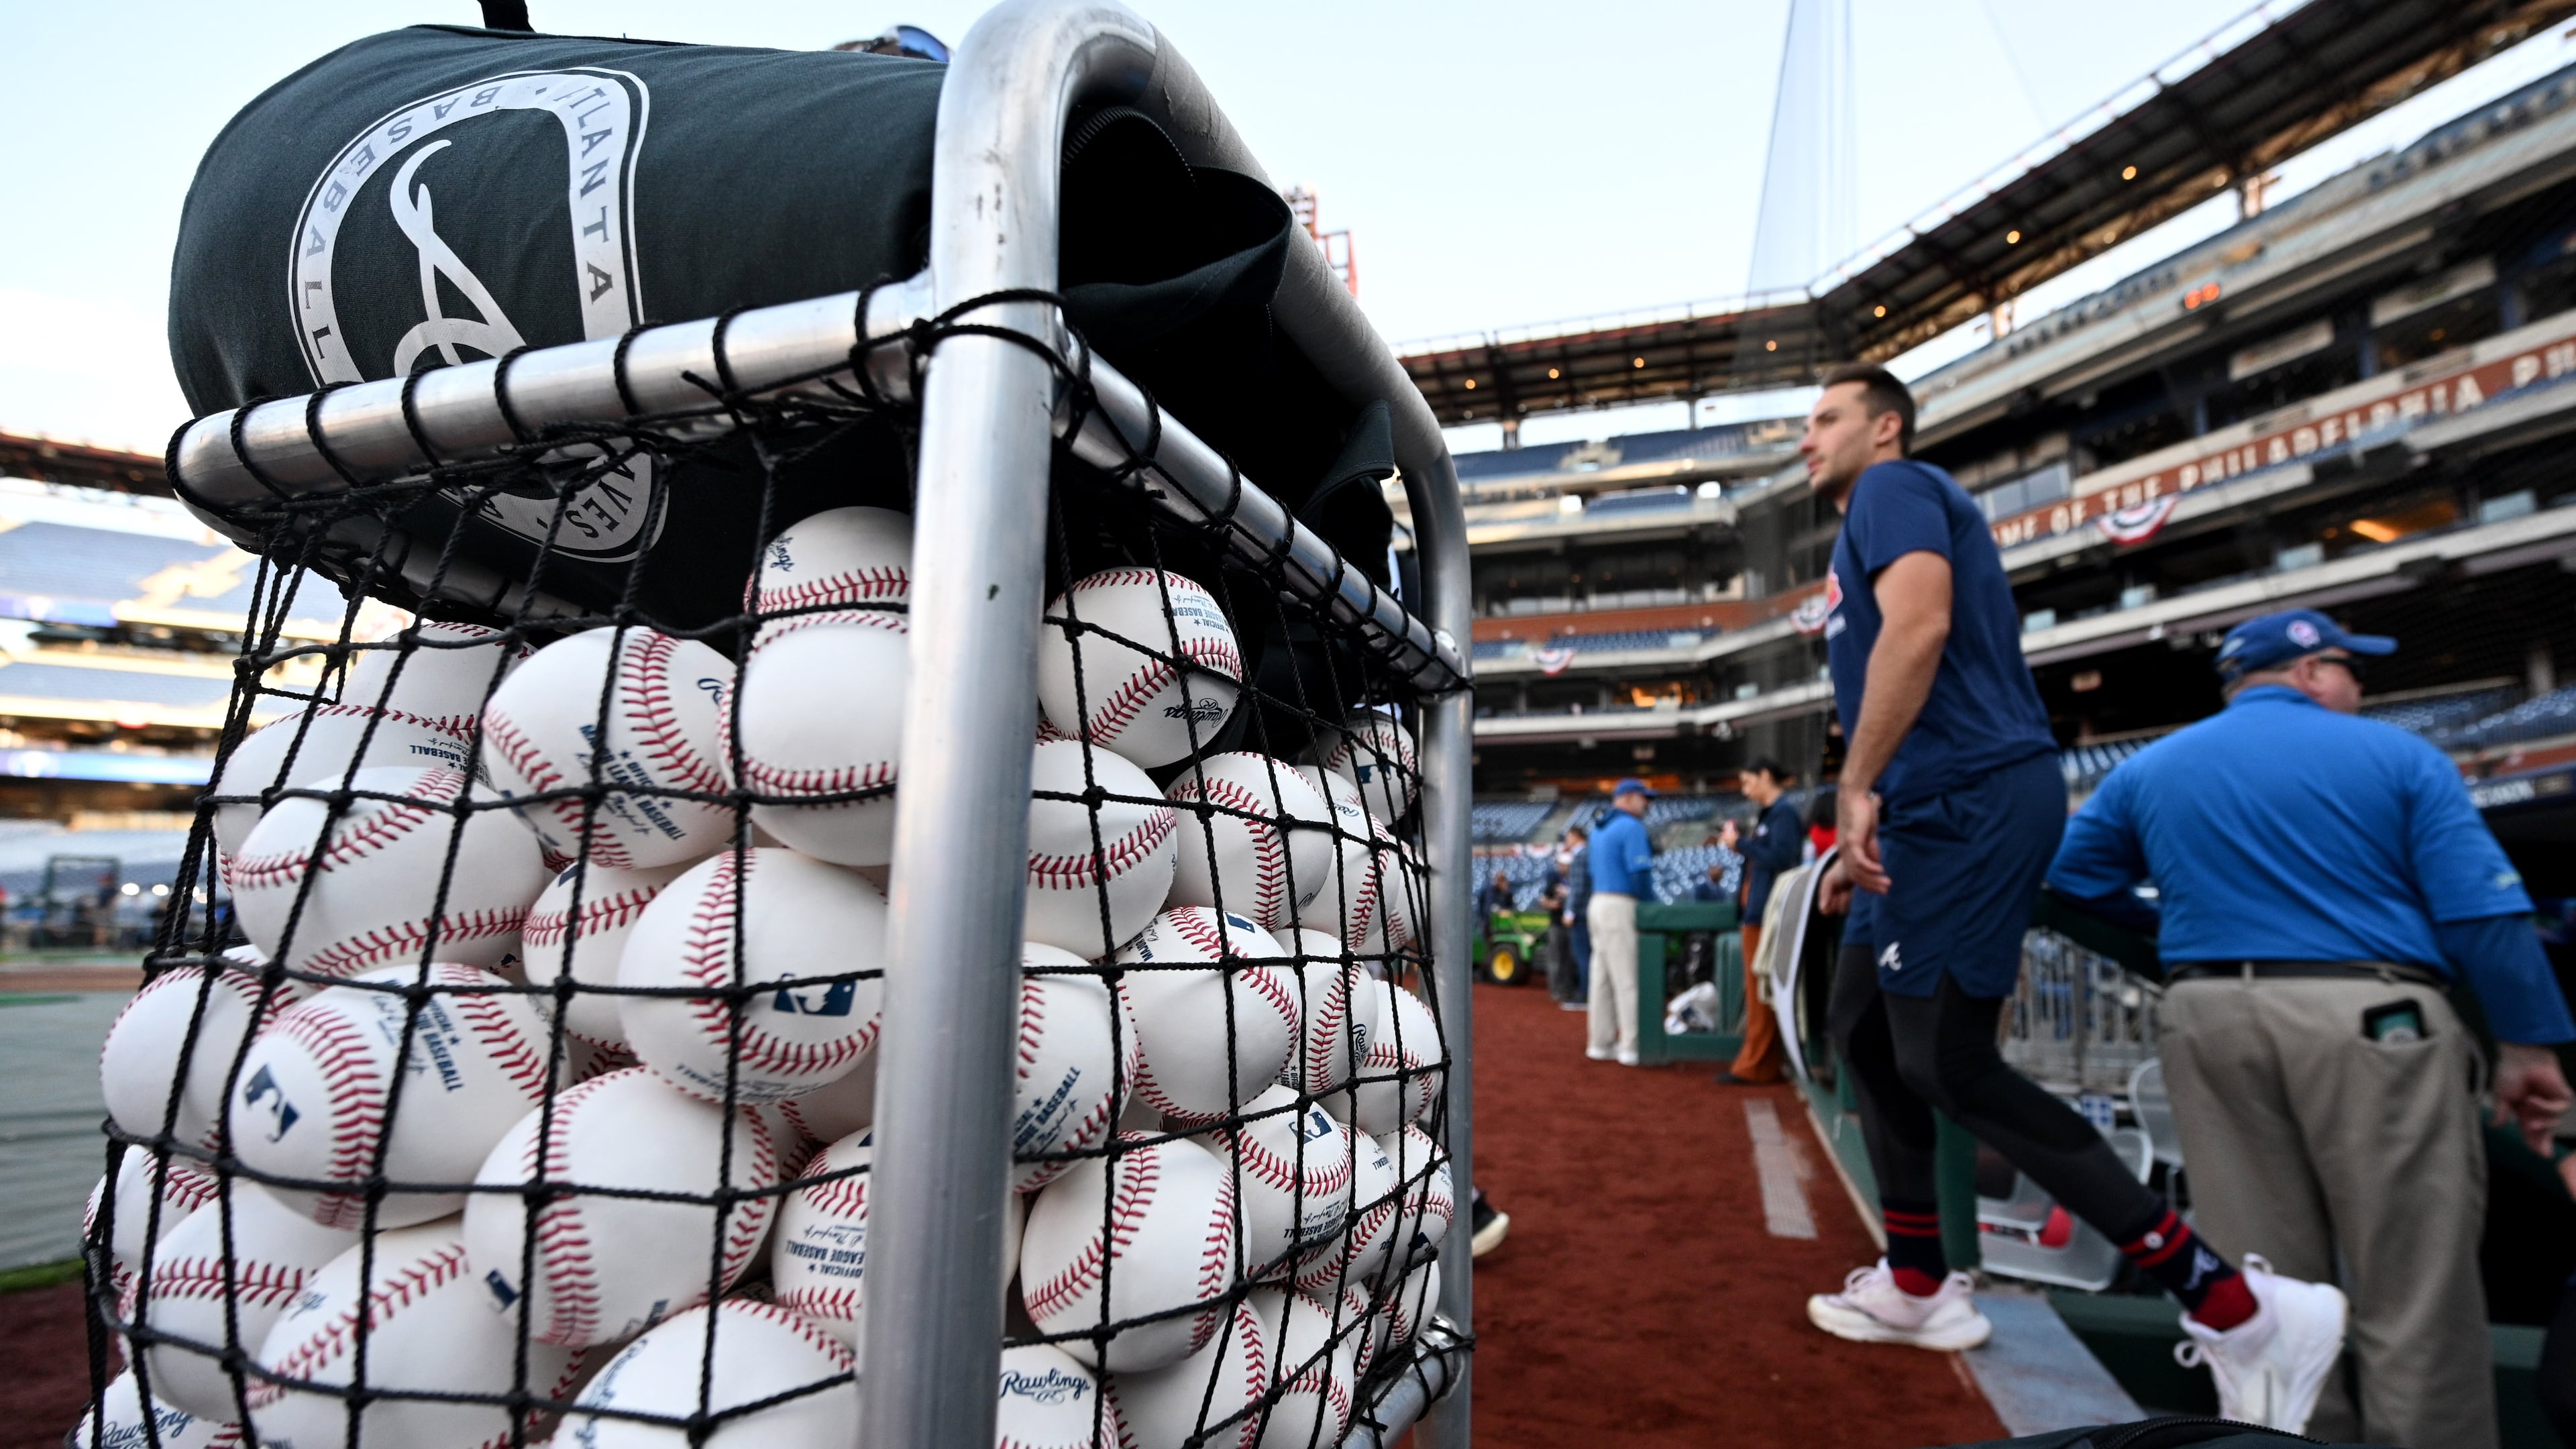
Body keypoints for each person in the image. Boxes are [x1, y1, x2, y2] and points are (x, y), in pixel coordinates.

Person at [1794, 363, 2343, 1433]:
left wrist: (1856, 784)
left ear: (1887, 426)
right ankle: (1917, 1284)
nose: (1808, 440)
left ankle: (2236, 1307)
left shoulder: (1895, 488)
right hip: (1921, 808)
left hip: (1964, 800)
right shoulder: (1870, 511)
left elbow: (1919, 629)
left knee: (1946, 1060)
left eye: (1826, 419)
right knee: (1863, 1029)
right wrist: (1865, 800)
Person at [2048, 608, 2576, 1449]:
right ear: (2312, 672)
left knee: (2261, 1291)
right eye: (2353, 672)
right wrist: (2526, 1045)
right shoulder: (2400, 754)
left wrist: (2190, 930)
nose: (2359, 689)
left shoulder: (2151, 768)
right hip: (2371, 1017)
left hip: (2207, 1016)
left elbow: (2070, 878)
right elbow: (2484, 909)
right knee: (2414, 1285)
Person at [1715, 758, 1804, 1086]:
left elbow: (1782, 857)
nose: (1745, 789)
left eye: (1748, 781)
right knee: (1758, 994)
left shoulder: (1783, 813)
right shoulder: (1771, 814)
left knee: (1762, 994)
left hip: (1770, 914)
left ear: (1766, 775)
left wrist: (1740, 844)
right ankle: (1758, 1062)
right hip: (1757, 913)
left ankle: (1757, 1066)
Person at [1586, 780, 1656, 1065]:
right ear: (1627, 798)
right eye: (1643, 798)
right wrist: (1650, 906)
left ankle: (1600, 1044)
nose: (1647, 803)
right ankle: (1632, 1046)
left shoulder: (1599, 828)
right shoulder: (1631, 826)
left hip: (1598, 902)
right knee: (1628, 979)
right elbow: (1640, 873)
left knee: (1601, 979)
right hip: (1620, 904)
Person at [1562, 824, 1593, 1006]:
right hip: (1589, 911)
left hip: (1581, 913)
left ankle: (1584, 995)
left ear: (1575, 836)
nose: (1567, 841)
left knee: (1583, 956)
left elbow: (1579, 888)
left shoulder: (1581, 855)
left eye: (1568, 837)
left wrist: (1570, 911)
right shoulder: (1589, 853)